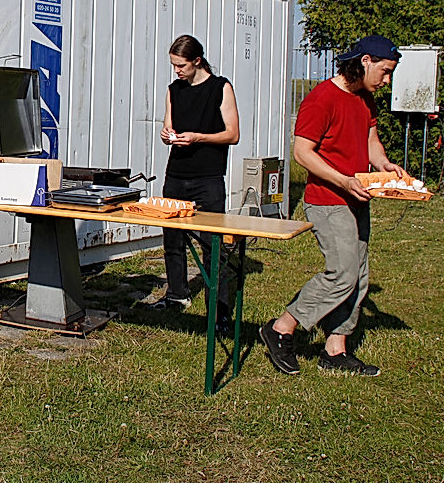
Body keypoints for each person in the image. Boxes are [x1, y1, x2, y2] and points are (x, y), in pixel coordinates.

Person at [259, 35, 405, 377]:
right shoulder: (322, 98)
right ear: (365, 61)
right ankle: (281, 328)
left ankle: (334, 349)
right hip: (328, 200)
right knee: (342, 273)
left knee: (359, 276)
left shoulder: (365, 98)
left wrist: (383, 165)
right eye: (385, 72)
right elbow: (302, 153)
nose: (386, 81)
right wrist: (344, 181)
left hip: (356, 197)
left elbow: (371, 142)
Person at [154, 35, 240, 333]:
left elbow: (232, 134)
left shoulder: (221, 88)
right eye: (173, 65)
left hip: (208, 177)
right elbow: (168, 124)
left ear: (197, 61)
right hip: (176, 174)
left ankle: (221, 313)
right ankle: (176, 294)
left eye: (181, 65)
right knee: (173, 241)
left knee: (213, 245)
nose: (177, 71)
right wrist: (168, 135)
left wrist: (199, 137)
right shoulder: (173, 90)